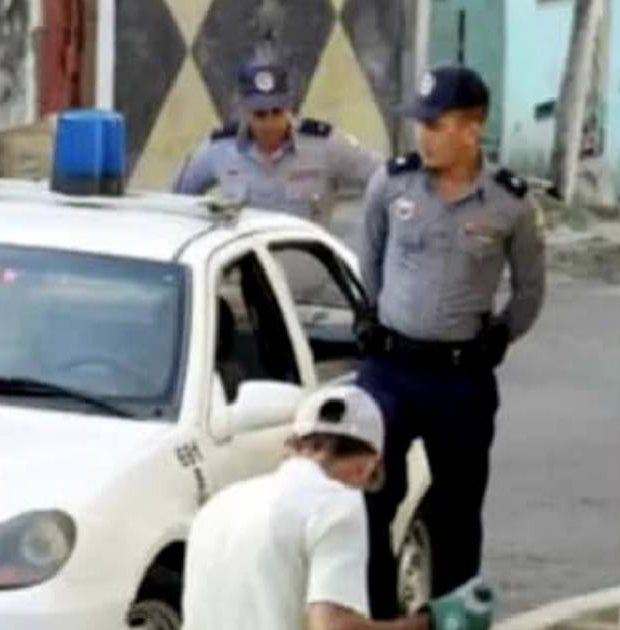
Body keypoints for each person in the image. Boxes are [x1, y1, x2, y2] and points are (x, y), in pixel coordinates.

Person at [355, 65, 547, 619]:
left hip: (460, 378)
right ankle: (376, 617)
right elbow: (369, 258)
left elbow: (531, 288)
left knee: (457, 512)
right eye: (419, 123)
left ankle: (457, 617)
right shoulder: (391, 183)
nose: (422, 135)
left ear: (470, 129)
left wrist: (502, 334)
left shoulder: (510, 203)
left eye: (434, 124)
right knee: (369, 498)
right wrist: (370, 315)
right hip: (390, 369)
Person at [183, 385, 495, 630]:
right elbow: (334, 628)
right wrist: (434, 623)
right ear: (368, 465)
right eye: (371, 481)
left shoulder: (219, 505)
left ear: (292, 447)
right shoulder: (336, 504)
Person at [173, 62, 382, 224]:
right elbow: (177, 200)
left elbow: (384, 177)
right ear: (245, 112)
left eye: (277, 112)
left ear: (289, 108)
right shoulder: (219, 149)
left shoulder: (324, 145)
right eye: (260, 114)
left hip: (307, 273)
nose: (270, 123)